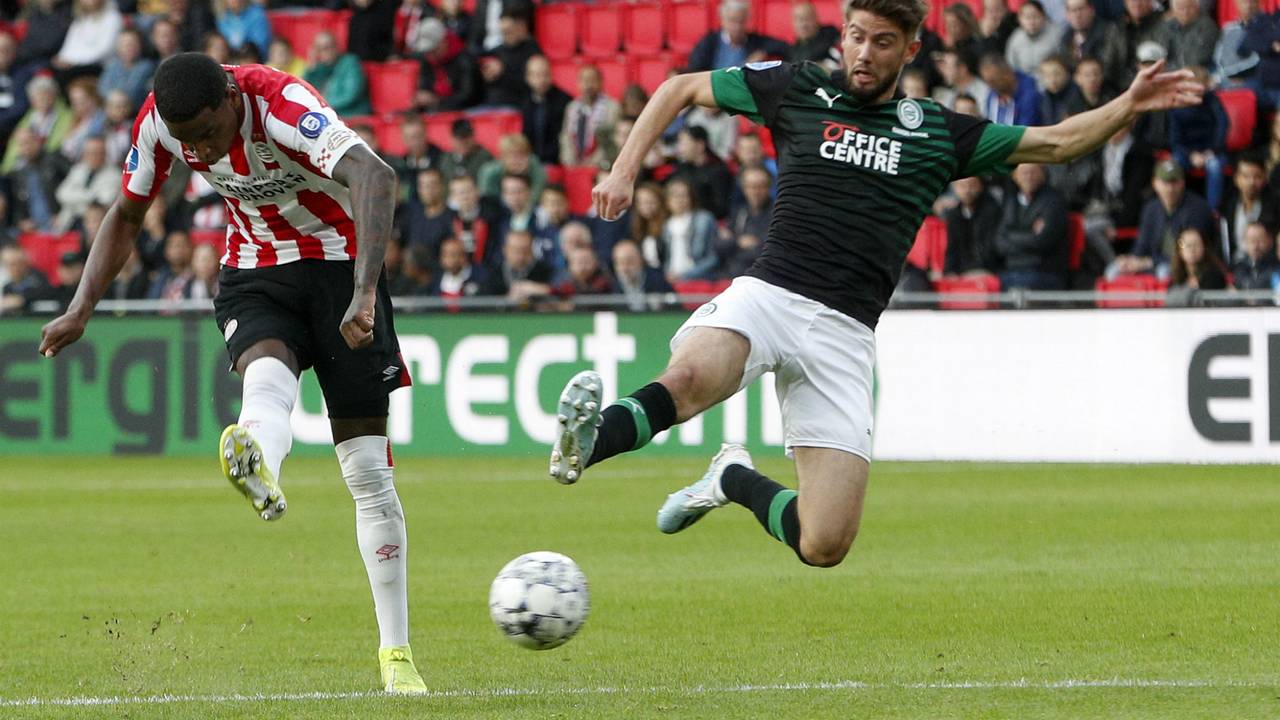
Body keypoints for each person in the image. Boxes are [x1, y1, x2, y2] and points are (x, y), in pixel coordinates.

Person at [549, 0, 1201, 568]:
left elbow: (1055, 142)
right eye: (856, 35)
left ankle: (734, 477)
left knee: (824, 542)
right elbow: (678, 88)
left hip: (844, 334)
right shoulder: (797, 88)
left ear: (910, 49)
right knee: (690, 380)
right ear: (843, 35)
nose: (864, 52)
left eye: (882, 41)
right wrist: (624, 169)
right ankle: (589, 442)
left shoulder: (939, 132)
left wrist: (1129, 104)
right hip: (769, 296)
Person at [37, 53, 428, 694]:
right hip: (255, 269)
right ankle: (258, 464)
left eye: (209, 133)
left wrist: (363, 293)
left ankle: (395, 653)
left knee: (366, 470)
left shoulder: (280, 104)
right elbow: (128, 213)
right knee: (264, 375)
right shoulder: (162, 123)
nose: (203, 150)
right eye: (188, 141)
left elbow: (375, 175)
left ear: (227, 96)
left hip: (338, 267)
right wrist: (81, 307)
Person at [1113, 159, 1216, 280]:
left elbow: (1188, 252)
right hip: (1151, 262)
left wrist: (1149, 262)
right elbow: (1142, 244)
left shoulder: (1197, 209)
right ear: (1155, 183)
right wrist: (1130, 259)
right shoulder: (1150, 208)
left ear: (1182, 182)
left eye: (1174, 182)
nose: (1170, 189)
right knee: (1113, 271)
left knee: (1164, 273)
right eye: (1165, 183)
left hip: (1184, 267)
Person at [992, 162, 1069, 289]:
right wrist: (1030, 234)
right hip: (1011, 269)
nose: (1028, 177)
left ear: (1043, 175)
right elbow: (999, 241)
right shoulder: (1010, 200)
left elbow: (1042, 241)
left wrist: (1011, 236)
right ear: (1014, 176)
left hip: (1044, 271)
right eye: (1024, 173)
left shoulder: (1054, 201)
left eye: (1033, 172)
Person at [686, 0, 790, 73]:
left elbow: (784, 46)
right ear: (722, 20)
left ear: (748, 20)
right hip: (712, 94)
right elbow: (695, 70)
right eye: (732, 21)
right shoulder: (708, 42)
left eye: (741, 21)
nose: (737, 27)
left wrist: (762, 53)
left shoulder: (755, 40)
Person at [559, 65, 621, 167]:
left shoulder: (612, 107)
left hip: (602, 164)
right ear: (578, 83)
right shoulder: (572, 107)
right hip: (574, 164)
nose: (588, 85)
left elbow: (611, 140)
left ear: (601, 82)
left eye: (592, 80)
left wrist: (593, 162)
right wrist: (570, 160)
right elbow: (566, 137)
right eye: (584, 80)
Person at [303, 31, 371, 117]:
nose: (322, 52)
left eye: (327, 47)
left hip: (352, 114)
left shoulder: (350, 62)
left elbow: (350, 95)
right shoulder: (318, 67)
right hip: (329, 115)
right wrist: (311, 68)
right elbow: (304, 90)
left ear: (336, 47)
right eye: (318, 48)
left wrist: (322, 105)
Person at [521, 54, 570, 164]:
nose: (542, 80)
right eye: (537, 75)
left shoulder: (564, 101)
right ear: (528, 77)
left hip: (557, 160)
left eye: (545, 74)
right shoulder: (525, 101)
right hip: (531, 161)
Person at [612, 238, 673, 311]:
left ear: (640, 260)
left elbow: (675, 306)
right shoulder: (609, 288)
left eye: (629, 262)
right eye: (620, 263)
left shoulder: (658, 281)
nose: (625, 268)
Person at [1004, 0, 1063, 75]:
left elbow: (1062, 63)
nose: (1031, 22)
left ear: (1043, 17)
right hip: (1024, 81)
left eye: (1035, 16)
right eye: (1027, 17)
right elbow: (1010, 65)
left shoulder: (1056, 34)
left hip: (1050, 80)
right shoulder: (1015, 37)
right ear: (1019, 19)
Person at [1155, 0, 1218, 71]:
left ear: (1197, 7)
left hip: (1199, 74)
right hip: (1173, 73)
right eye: (1180, 8)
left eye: (1189, 8)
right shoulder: (1168, 27)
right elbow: (1161, 54)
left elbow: (1197, 60)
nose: (1185, 12)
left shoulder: (1207, 27)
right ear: (1173, 11)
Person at [1168, 226, 1229, 292]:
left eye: (1196, 244)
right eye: (1188, 245)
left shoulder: (1214, 275)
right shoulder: (1176, 278)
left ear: (1204, 247)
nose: (1192, 249)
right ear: (1179, 250)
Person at [789, 2, 841, 66]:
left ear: (816, 19)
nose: (803, 24)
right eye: (799, 19)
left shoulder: (831, 35)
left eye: (807, 19)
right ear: (792, 23)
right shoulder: (794, 50)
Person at [1231, 221, 1279, 289]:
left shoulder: (1276, 267)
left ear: (1270, 241)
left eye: (1260, 240)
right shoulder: (1239, 267)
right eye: (1251, 240)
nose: (1255, 246)